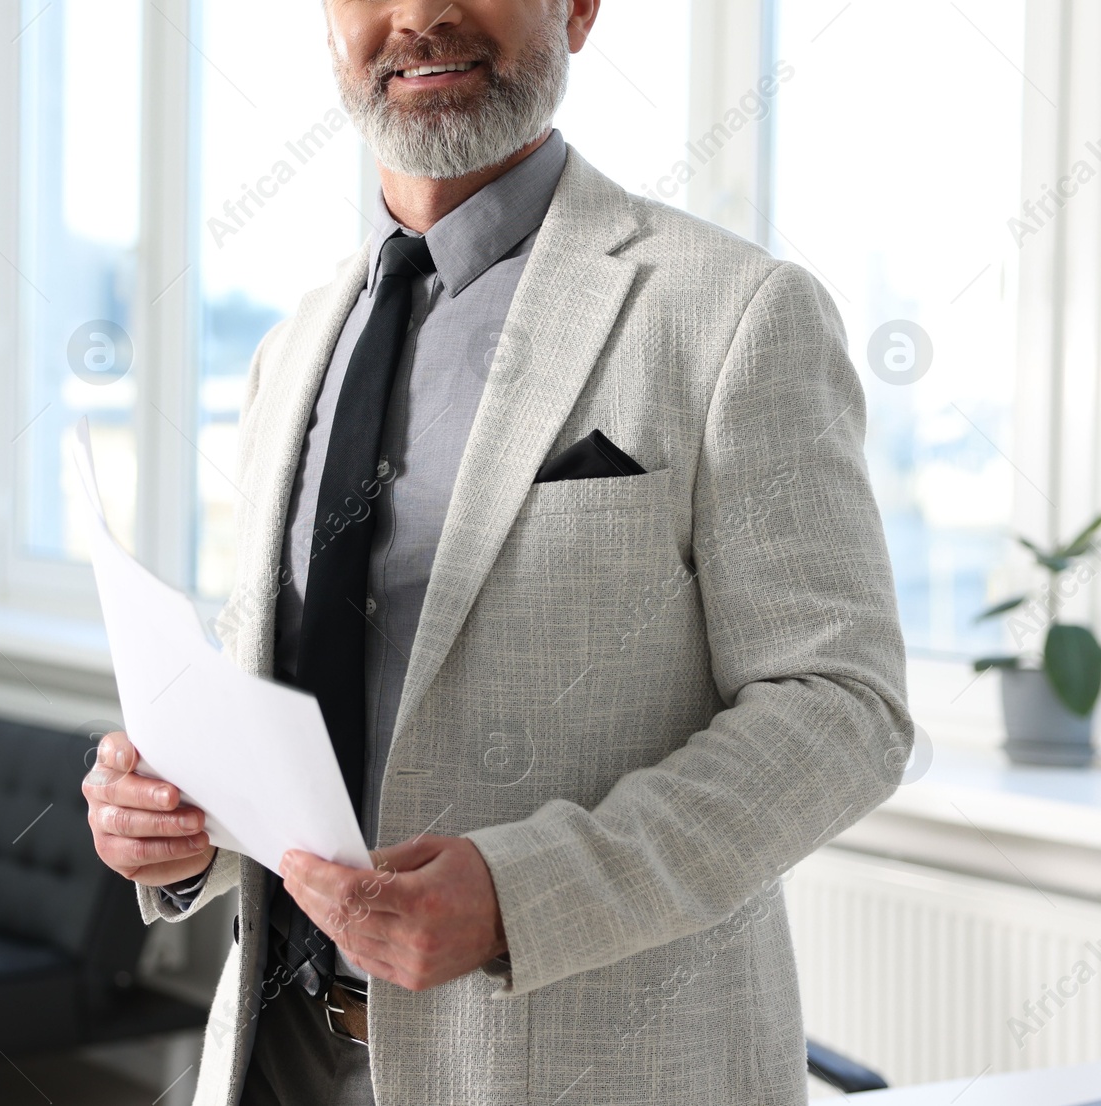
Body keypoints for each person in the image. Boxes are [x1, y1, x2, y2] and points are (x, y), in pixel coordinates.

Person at [83, 1, 910, 1102]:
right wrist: (177, 826)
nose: (420, 14)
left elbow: (841, 709)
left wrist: (527, 894)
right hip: (276, 1059)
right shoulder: (289, 351)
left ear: (576, 8)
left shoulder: (734, 313)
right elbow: (308, 703)